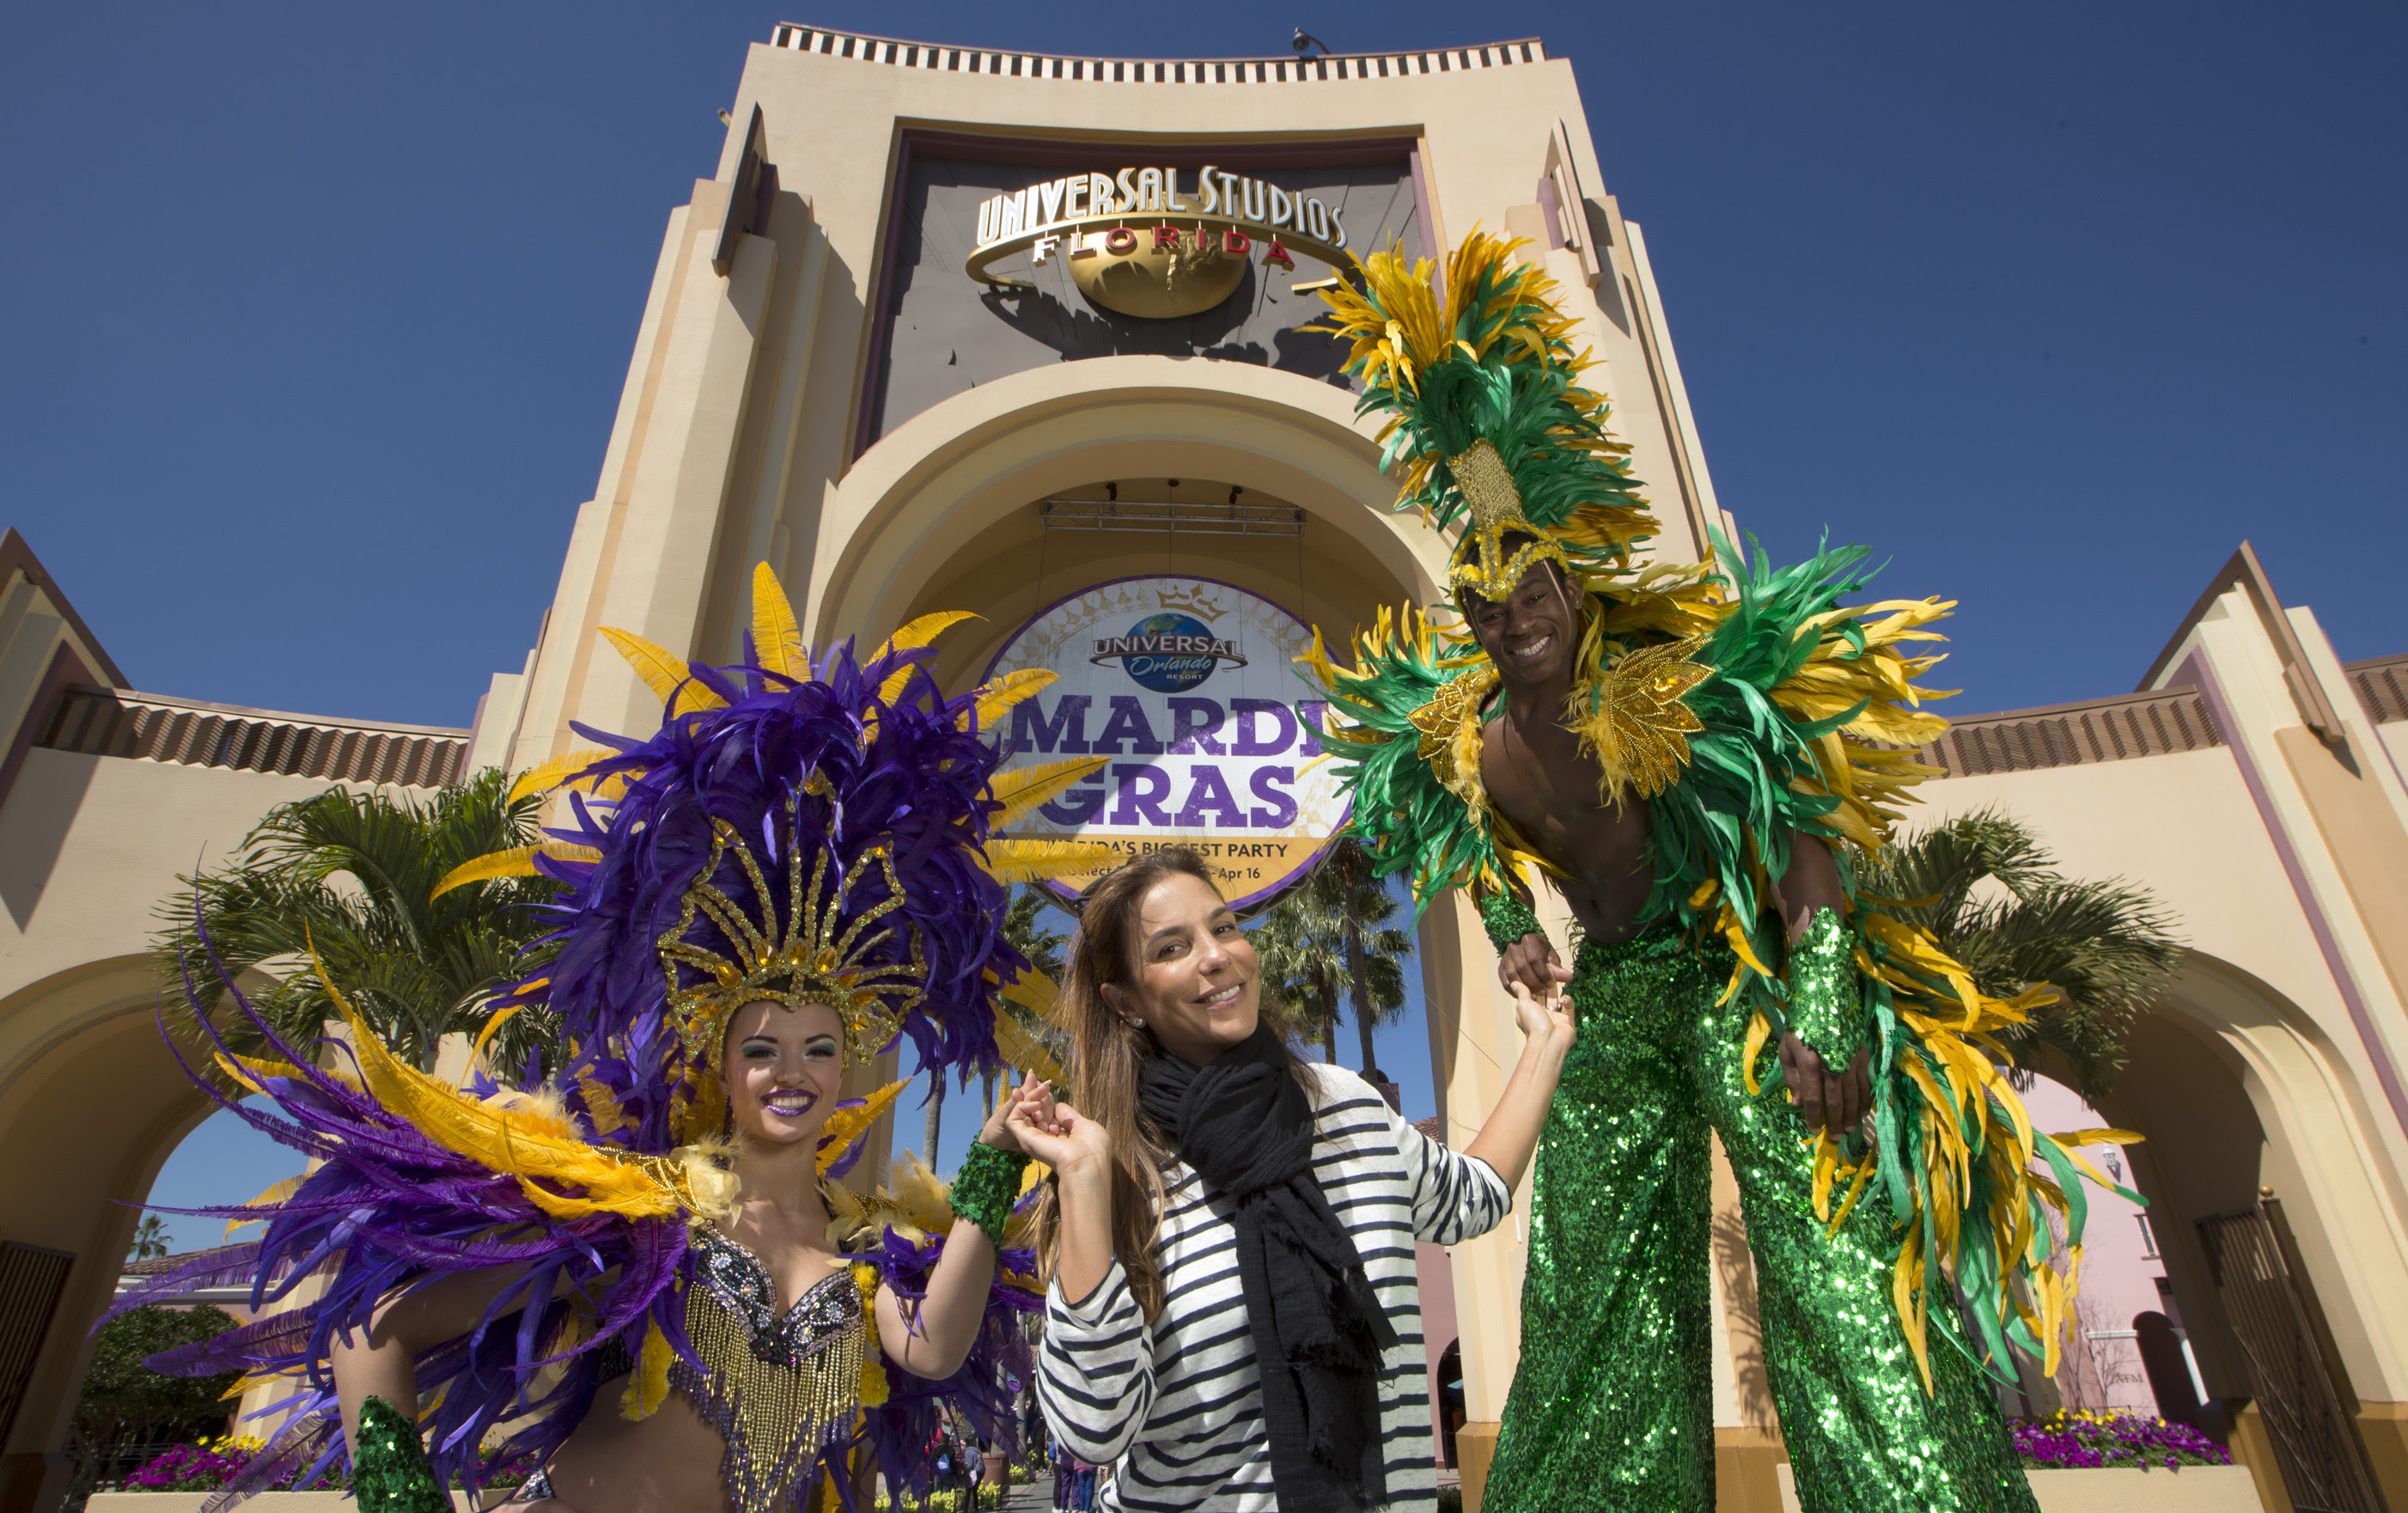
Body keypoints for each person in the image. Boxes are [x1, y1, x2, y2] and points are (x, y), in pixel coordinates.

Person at [1300, 234, 2137, 1511]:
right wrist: (1508, 910)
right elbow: (1442, 821)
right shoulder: (1462, 742)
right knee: (1588, 1287)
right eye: (1479, 598)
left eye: (1526, 584)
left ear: (1569, 586)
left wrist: (1816, 1010)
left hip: (1741, 977)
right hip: (1622, 990)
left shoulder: (1675, 699)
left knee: (1835, 1268)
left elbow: (1802, 857)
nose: (1506, 611)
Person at [113, 567, 1115, 1513]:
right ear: (718, 1063)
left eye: (819, 1048)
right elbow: (378, 1329)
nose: (792, 1073)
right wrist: (400, 1495)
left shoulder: (863, 1250)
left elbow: (935, 1350)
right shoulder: (637, 1216)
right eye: (762, 1048)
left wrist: (986, 1168)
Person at [1008, 848, 1573, 1512]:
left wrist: (1544, 1042)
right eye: (1171, 946)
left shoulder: (1343, 1104)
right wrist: (1080, 1180)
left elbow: (1469, 1196)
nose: (1216, 955)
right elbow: (1091, 1426)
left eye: (1223, 927)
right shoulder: (1117, 1169)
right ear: (1125, 1000)